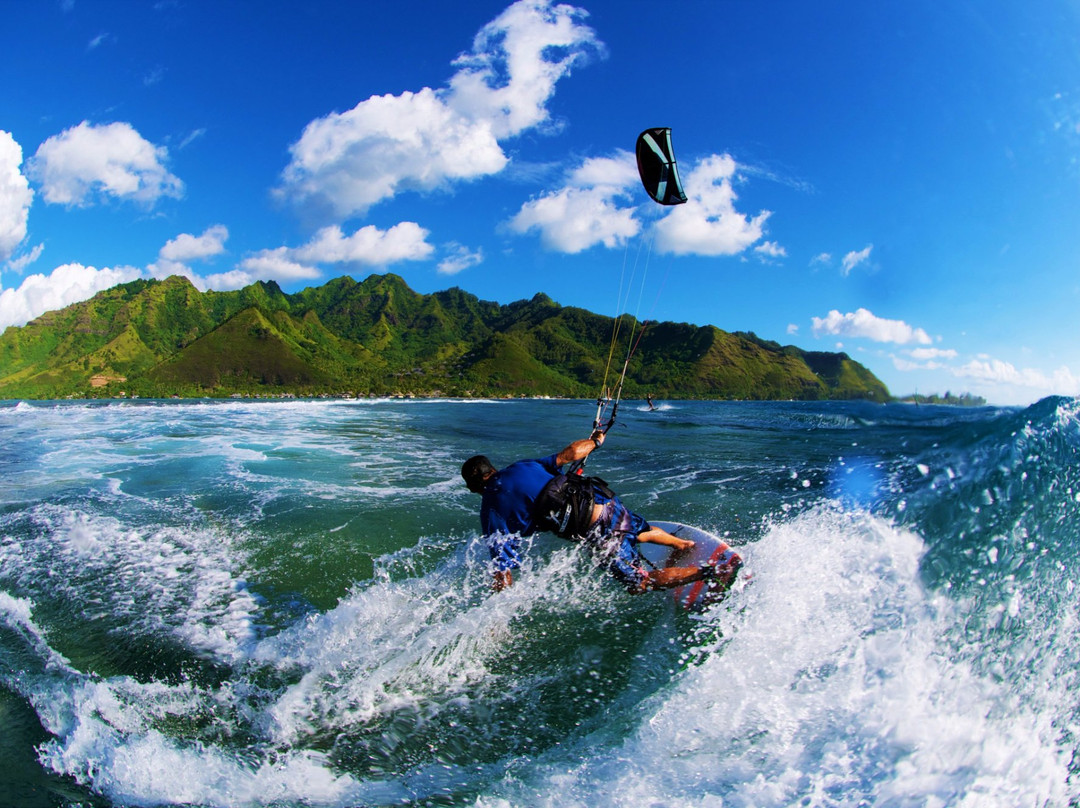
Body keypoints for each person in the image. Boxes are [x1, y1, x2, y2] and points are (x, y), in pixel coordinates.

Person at [461, 431, 731, 593]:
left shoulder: (491, 511)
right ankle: (682, 544)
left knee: (640, 584)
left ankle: (712, 572)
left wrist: (498, 611)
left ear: (474, 486)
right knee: (639, 530)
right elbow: (571, 453)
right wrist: (595, 442)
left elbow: (502, 569)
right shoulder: (523, 466)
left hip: (596, 530)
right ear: (492, 469)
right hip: (605, 502)